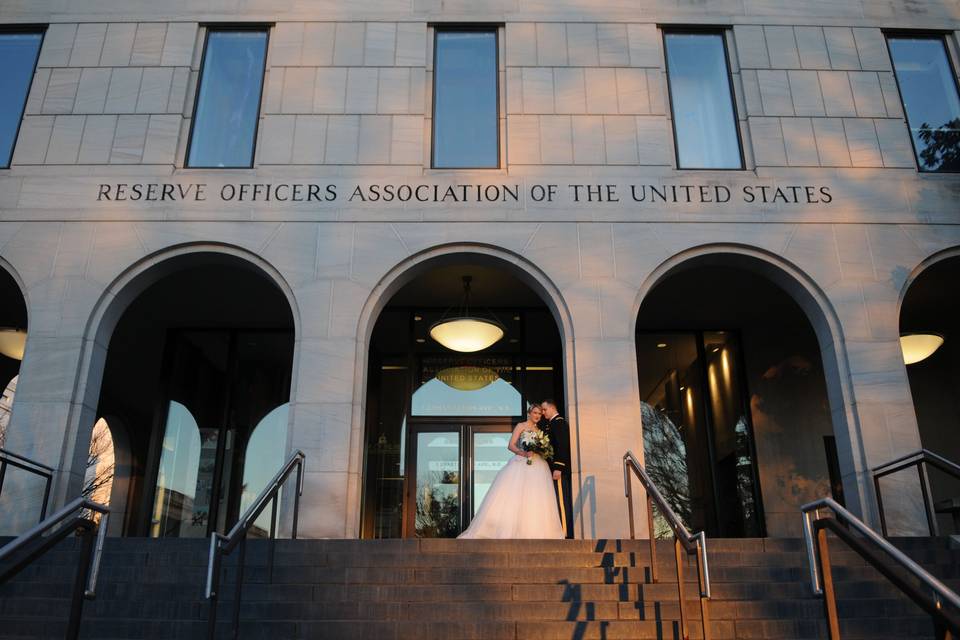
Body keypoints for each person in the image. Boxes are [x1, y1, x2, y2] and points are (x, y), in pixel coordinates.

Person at [458, 403, 565, 539]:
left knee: (535, 498)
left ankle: (532, 531)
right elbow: (510, 445)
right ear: (529, 413)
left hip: (538, 464)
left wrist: (542, 449)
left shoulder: (540, 429)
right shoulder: (521, 426)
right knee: (515, 496)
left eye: (539, 413)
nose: (537, 416)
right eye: (535, 413)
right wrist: (523, 453)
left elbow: (545, 446)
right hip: (521, 462)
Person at [540, 399, 574, 538]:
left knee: (562, 500)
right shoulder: (551, 424)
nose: (543, 413)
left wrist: (558, 467)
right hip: (553, 469)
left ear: (552, 408)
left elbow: (562, 446)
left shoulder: (558, 423)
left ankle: (565, 532)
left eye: (544, 410)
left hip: (558, 470)